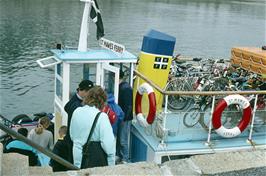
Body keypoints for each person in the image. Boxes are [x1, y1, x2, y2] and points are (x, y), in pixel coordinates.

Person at [70, 86, 115, 168]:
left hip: (78, 158)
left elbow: (72, 136)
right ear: (102, 101)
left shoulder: (76, 112)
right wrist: (111, 165)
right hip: (95, 160)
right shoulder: (102, 117)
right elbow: (108, 146)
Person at [64, 79, 94, 164]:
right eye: (89, 92)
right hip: (74, 139)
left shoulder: (74, 99)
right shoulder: (77, 105)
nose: (90, 94)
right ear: (82, 91)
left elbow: (66, 107)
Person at [117, 71, 133, 163]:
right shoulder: (122, 87)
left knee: (123, 139)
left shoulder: (125, 89)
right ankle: (121, 156)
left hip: (124, 118)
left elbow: (129, 106)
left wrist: (124, 119)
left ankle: (125, 159)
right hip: (122, 117)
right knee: (120, 138)